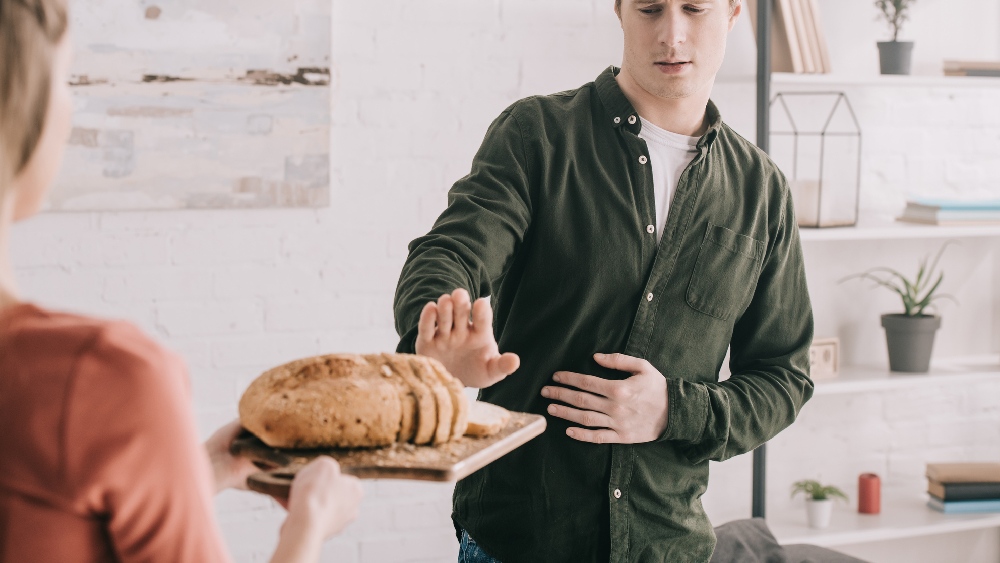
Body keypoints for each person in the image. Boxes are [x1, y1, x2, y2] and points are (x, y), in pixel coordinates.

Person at [393, 0, 814, 561]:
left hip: (666, 544)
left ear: (734, 13)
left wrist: (673, 411)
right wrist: (438, 332)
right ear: (619, 10)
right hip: (519, 539)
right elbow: (452, 250)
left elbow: (783, 377)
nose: (672, 34)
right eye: (649, 9)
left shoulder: (762, 191)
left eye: (694, 9)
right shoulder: (537, 134)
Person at [0, 0, 363, 561]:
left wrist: (201, 469)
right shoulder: (101, 377)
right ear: (18, 112)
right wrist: (309, 526)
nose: (72, 109)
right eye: (64, 80)